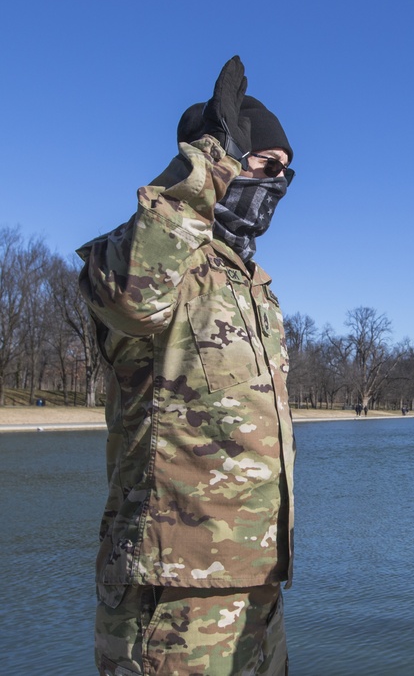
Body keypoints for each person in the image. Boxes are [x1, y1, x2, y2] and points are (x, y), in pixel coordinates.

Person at [78, 56, 297, 675]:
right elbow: (129, 293)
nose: (281, 183)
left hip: (256, 587)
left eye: (288, 171)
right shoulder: (145, 260)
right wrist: (207, 165)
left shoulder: (253, 284)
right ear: (219, 155)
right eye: (266, 164)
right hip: (169, 593)